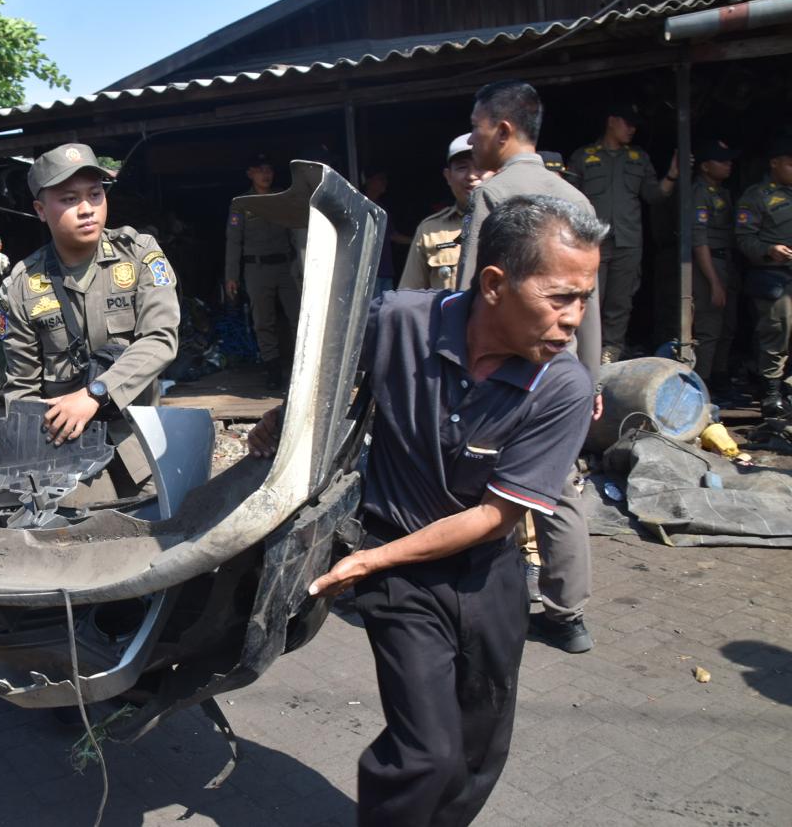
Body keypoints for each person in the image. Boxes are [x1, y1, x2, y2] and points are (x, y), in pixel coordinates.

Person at [250, 194, 603, 826]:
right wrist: (282, 420)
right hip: (399, 572)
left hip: (487, 572)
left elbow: (495, 518)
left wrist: (366, 563)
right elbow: (328, 377)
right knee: (425, 754)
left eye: (585, 299)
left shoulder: (562, 386)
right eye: (560, 298)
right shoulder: (399, 321)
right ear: (493, 284)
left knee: (478, 750)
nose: (574, 319)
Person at [461, 80, 603, 653]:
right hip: (559, 367)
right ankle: (568, 616)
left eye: (475, 128)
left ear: (501, 129)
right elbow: (587, 303)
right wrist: (589, 379)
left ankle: (478, 601)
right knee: (556, 486)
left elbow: (472, 294)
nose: (472, 140)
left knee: (478, 482)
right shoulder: (575, 199)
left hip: (501, 368)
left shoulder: (494, 195)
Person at [0, 142, 179, 499]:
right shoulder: (20, 286)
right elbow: (22, 388)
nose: (87, 209)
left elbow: (160, 339)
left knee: (164, 520)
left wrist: (96, 393)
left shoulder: (139, 254)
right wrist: (31, 460)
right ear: (40, 210)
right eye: (69, 199)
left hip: (139, 440)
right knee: (76, 526)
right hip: (68, 451)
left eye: (95, 195)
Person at [567, 102, 680, 363]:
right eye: (627, 123)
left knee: (620, 302)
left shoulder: (638, 158)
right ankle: (583, 352)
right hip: (592, 242)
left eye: (635, 125)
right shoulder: (583, 156)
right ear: (611, 121)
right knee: (588, 298)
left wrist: (672, 176)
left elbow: (653, 195)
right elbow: (568, 197)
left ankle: (610, 352)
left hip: (628, 242)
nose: (632, 129)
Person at [224, 153, 298, 389]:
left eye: (269, 170)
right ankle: (273, 371)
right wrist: (231, 276)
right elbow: (234, 241)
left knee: (298, 317)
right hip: (256, 269)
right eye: (260, 170)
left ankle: (302, 369)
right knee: (263, 322)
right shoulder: (241, 203)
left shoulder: (282, 197)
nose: (266, 175)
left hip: (286, 267)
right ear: (250, 174)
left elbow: (296, 232)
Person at [735, 133, 792, 419]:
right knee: (776, 333)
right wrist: (769, 250)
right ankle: (771, 393)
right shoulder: (757, 196)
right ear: (774, 163)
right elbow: (744, 239)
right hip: (774, 276)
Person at [397, 133, 488, 291]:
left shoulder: (515, 223)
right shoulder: (430, 230)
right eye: (462, 167)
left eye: (480, 166)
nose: (472, 176)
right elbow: (408, 295)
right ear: (448, 176)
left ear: (497, 172)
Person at [690, 139, 742, 394]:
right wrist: (714, 282)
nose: (728, 164)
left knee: (727, 326)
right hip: (710, 263)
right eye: (721, 161)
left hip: (726, 261)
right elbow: (699, 241)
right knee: (709, 328)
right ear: (705, 166)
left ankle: (720, 378)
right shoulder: (699, 193)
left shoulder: (722, 192)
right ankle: (703, 385)